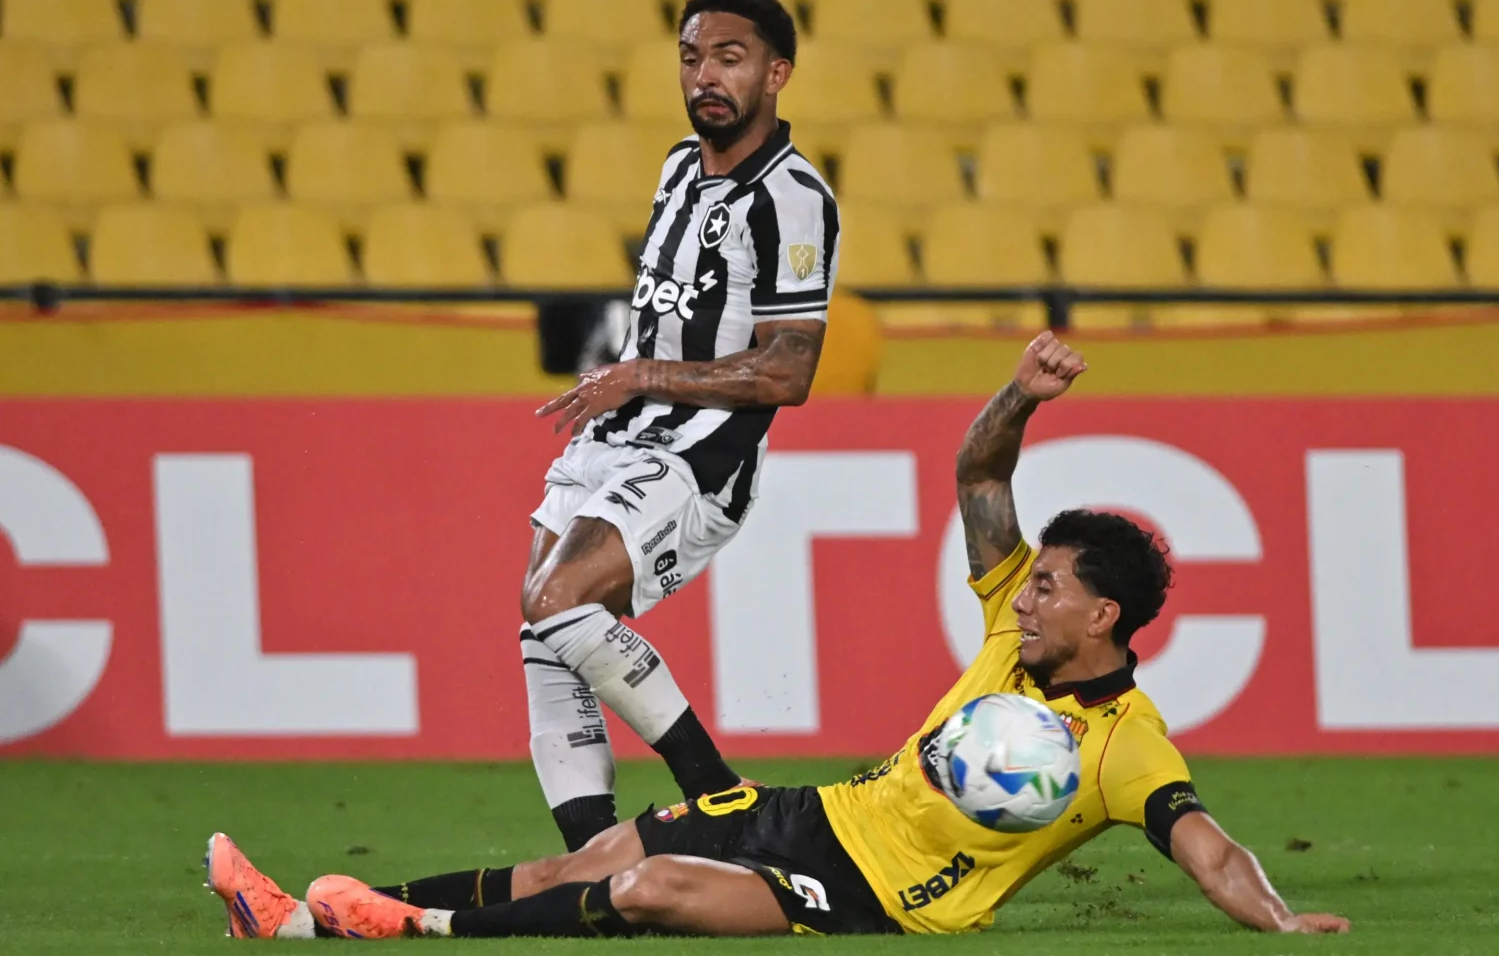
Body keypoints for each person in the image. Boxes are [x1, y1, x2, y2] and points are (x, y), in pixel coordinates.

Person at [204, 332, 1351, 941]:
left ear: (1103, 615)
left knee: (648, 888)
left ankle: (405, 929)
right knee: (581, 866)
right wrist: (1021, 395)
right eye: (1031, 580)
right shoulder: (1015, 634)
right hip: (813, 812)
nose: (1024, 598)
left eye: (1048, 587)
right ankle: (303, 913)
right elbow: (980, 473)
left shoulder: (1126, 743)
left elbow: (1207, 849)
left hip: (868, 896)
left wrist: (1283, 919)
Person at [519, 0, 838, 852]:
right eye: (692, 58)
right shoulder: (676, 168)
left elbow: (789, 371)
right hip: (618, 437)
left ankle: (720, 795)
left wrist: (640, 374)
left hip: (701, 452)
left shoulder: (793, 199)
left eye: (729, 59)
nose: (705, 77)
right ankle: (591, 861)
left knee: (557, 598)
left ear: (776, 73)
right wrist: (629, 383)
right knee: (542, 628)